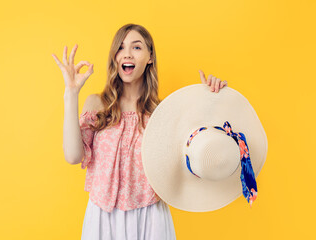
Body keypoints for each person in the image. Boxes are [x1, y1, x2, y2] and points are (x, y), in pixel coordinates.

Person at [51, 23, 228, 240]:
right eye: (121, 47)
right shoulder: (98, 104)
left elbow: (195, 158)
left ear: (150, 57)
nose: (127, 54)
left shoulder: (163, 112)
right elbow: (72, 156)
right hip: (102, 219)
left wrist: (211, 102)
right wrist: (71, 94)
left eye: (136, 47)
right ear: (114, 57)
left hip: (151, 217)